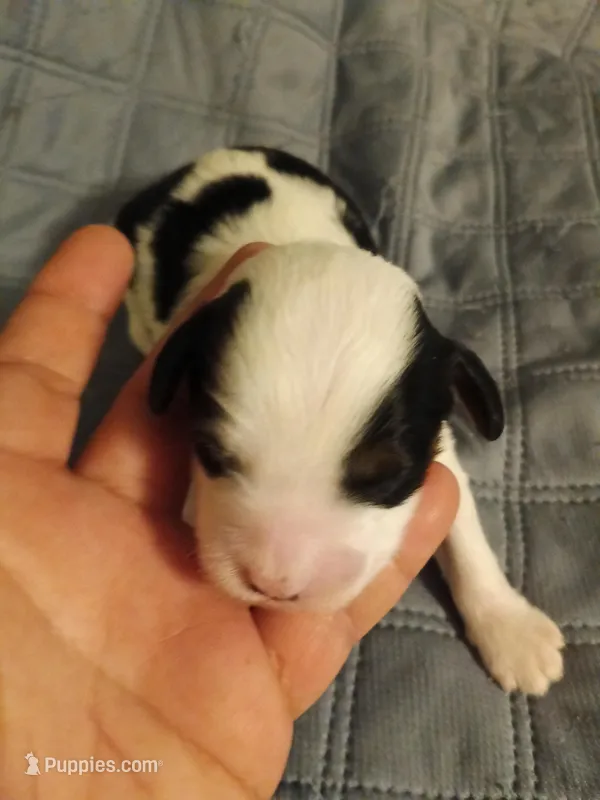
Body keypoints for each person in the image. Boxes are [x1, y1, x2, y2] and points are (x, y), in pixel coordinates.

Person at [0, 225, 459, 798]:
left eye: (381, 477)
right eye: (220, 454)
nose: (276, 572)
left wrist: (491, 603)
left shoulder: (403, 387)